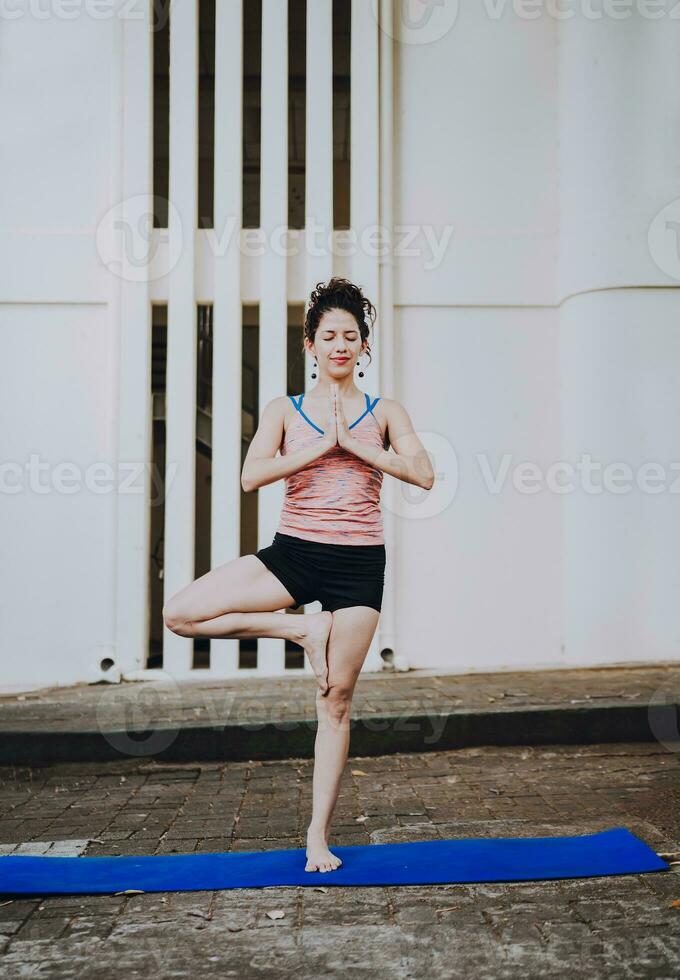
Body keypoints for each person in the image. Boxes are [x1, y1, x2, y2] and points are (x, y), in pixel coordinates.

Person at [163, 277, 435, 872]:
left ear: (363, 347)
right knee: (179, 614)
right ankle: (300, 631)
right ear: (309, 345)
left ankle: (317, 837)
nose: (341, 344)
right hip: (294, 553)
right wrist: (319, 448)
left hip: (358, 564)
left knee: (335, 700)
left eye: (352, 336)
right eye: (329, 335)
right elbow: (250, 475)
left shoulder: (384, 410)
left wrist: (359, 448)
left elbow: (423, 473)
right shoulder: (283, 409)